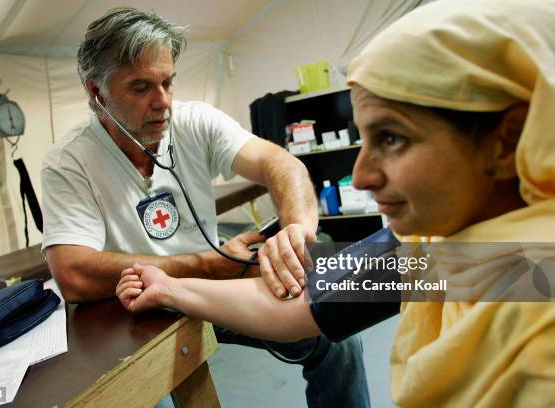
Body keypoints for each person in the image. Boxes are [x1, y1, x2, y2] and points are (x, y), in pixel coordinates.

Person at [117, 0, 555, 406]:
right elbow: (308, 301)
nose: (361, 175)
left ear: (508, 140)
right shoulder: (437, 246)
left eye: (392, 138)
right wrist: (168, 287)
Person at [40, 7, 370, 408]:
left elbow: (282, 164)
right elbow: (73, 273)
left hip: (212, 287)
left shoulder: (195, 122)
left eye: (167, 82)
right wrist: (206, 264)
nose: (163, 102)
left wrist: (296, 232)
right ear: (97, 92)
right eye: (141, 87)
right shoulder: (71, 160)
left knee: (337, 334)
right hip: (136, 309)